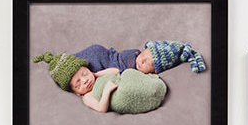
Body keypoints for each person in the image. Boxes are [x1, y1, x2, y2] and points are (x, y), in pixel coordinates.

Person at [32, 51, 166, 114]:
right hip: (120, 95)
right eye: (78, 84)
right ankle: (149, 94)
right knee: (125, 92)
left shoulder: (97, 76)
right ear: (75, 92)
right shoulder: (87, 97)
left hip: (125, 81)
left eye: (84, 74)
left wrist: (97, 74)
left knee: (128, 73)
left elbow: (116, 71)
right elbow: (101, 108)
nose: (85, 81)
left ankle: (151, 84)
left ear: (87, 69)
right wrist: (106, 91)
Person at [72, 40, 206, 75]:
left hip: (103, 69)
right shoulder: (133, 55)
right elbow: (118, 69)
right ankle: (67, 61)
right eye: (143, 54)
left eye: (147, 63)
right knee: (87, 58)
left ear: (155, 71)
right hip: (102, 57)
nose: (141, 60)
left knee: (80, 74)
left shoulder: (142, 75)